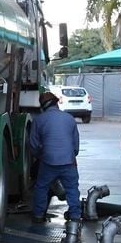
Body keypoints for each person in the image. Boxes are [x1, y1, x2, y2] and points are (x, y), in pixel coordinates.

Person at [29, 91, 82, 224]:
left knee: (41, 187)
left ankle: (38, 215)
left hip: (48, 162)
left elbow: (33, 145)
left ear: (43, 107)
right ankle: (75, 217)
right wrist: (70, 156)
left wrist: (41, 156)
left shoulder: (39, 120)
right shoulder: (69, 118)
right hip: (68, 162)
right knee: (72, 189)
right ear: (56, 103)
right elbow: (75, 145)